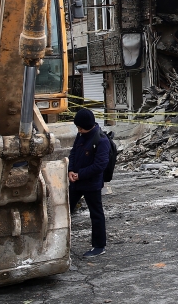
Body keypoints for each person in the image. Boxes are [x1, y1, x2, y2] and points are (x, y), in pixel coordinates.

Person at [68, 108, 110, 257]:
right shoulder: (80, 136)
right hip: (76, 181)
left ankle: (99, 246)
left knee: (96, 214)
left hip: (91, 183)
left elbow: (100, 165)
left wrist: (80, 175)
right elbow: (73, 153)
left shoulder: (101, 140)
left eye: (81, 128)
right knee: (65, 209)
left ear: (88, 126)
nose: (79, 131)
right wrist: (70, 171)